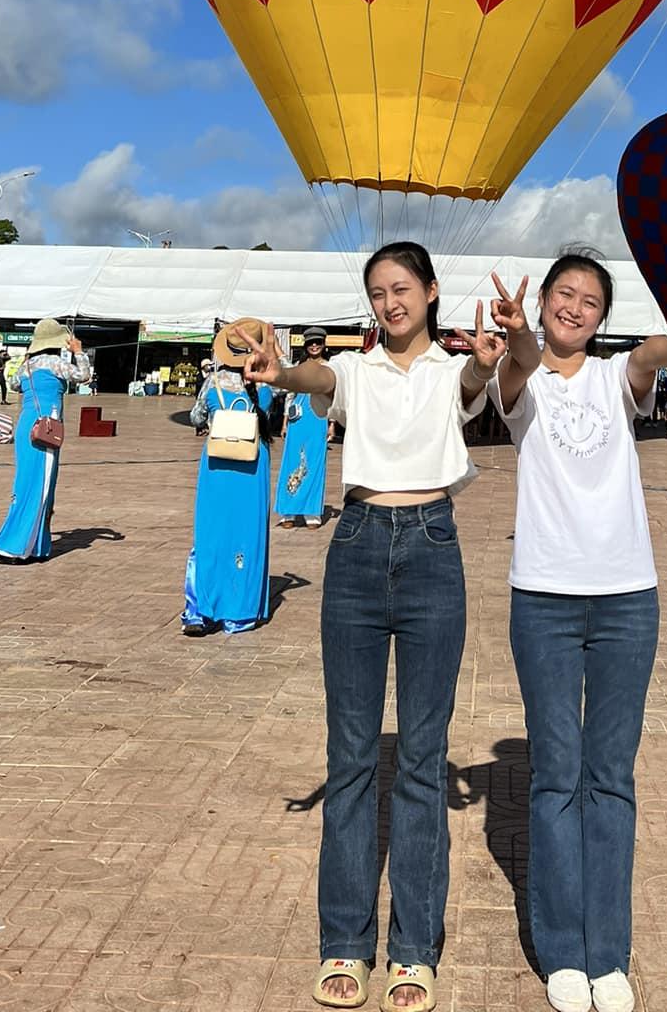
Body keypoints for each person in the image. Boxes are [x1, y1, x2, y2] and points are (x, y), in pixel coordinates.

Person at [231, 242, 504, 1012]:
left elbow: (479, 382)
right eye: (379, 292)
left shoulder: (455, 369)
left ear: (430, 292)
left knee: (421, 761)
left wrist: (488, 357)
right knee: (350, 756)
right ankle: (344, 943)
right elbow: (317, 379)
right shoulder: (353, 370)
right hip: (354, 547)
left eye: (402, 289)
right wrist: (279, 371)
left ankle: (414, 950)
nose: (391, 303)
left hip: (433, 549)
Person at [489, 254, 667, 1012]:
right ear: (543, 306)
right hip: (544, 598)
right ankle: (563, 951)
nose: (573, 307)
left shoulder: (615, 379)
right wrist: (515, 340)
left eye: (589, 300)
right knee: (556, 778)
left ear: (602, 315)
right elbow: (521, 364)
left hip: (628, 597)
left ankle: (610, 953)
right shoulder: (519, 376)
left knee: (612, 778)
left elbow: (648, 357)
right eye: (563, 295)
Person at [182, 323, 273, 635]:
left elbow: (195, 417)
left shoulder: (213, 382)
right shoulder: (265, 385)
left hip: (217, 462)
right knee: (247, 534)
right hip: (252, 464)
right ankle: (240, 611)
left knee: (210, 532)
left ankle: (200, 610)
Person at [0, 320, 93, 564]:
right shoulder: (57, 363)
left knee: (25, 480)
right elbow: (83, 376)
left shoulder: (26, 365)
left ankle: (36, 545)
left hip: (28, 424)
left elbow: (15, 385)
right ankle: (16, 546)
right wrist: (78, 352)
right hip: (47, 427)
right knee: (42, 484)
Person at [276, 332, 331, 528]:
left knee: (315, 462)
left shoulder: (330, 368)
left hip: (318, 417)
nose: (314, 346)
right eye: (310, 343)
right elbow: (290, 394)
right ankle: (288, 513)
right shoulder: (299, 367)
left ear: (324, 344)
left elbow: (335, 398)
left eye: (318, 342)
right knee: (292, 459)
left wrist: (332, 423)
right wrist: (284, 422)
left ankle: (311, 513)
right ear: (305, 346)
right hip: (297, 418)